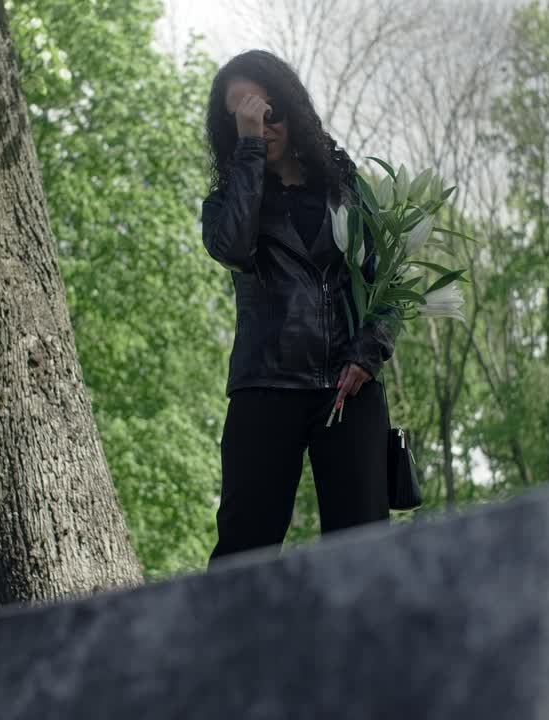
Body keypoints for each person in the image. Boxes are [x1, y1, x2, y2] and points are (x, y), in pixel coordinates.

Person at [201, 50, 398, 567]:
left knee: (364, 551)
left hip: (349, 386)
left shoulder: (346, 186)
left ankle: (361, 650)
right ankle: (231, 650)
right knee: (245, 548)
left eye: (265, 112)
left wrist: (369, 351)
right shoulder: (224, 205)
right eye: (239, 117)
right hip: (266, 385)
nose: (260, 127)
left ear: (287, 107)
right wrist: (248, 152)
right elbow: (235, 248)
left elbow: (387, 279)